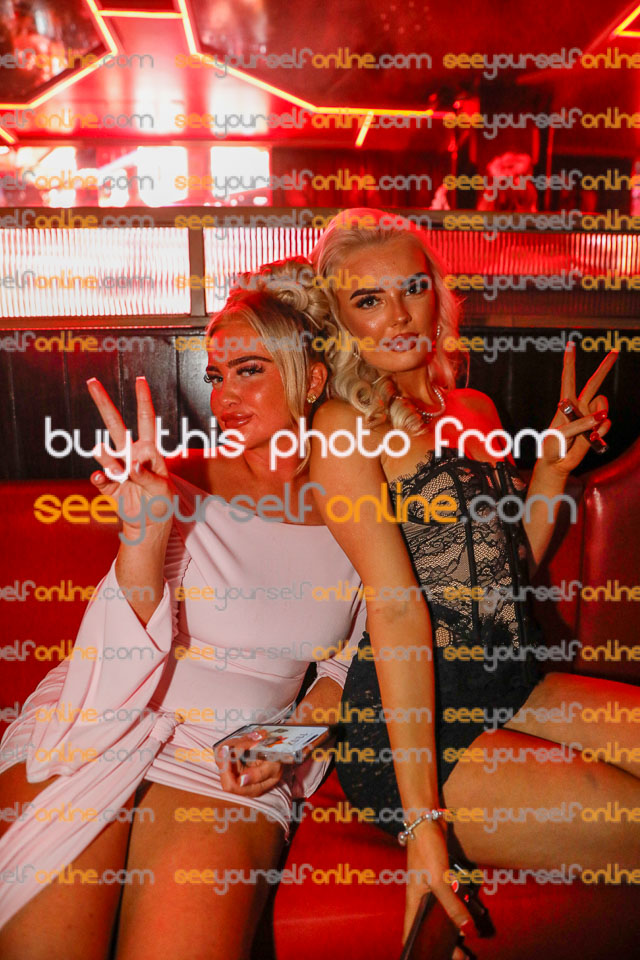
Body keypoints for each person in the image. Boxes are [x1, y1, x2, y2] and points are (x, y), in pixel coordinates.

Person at [0, 260, 367, 960]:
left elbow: (349, 665)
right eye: (216, 376)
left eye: (249, 370)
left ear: (313, 379)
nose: (225, 396)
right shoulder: (175, 481)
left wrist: (288, 741)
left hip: (230, 755)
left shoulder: (360, 502)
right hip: (104, 715)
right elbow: (127, 632)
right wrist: (142, 537)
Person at [308, 208, 640, 947]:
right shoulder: (344, 427)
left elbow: (506, 570)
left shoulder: (474, 407)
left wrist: (552, 467)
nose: (399, 315)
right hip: (409, 721)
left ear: (438, 293)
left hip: (512, 680)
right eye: (368, 299)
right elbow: (398, 611)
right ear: (341, 320)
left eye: (413, 288)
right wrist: (424, 820)